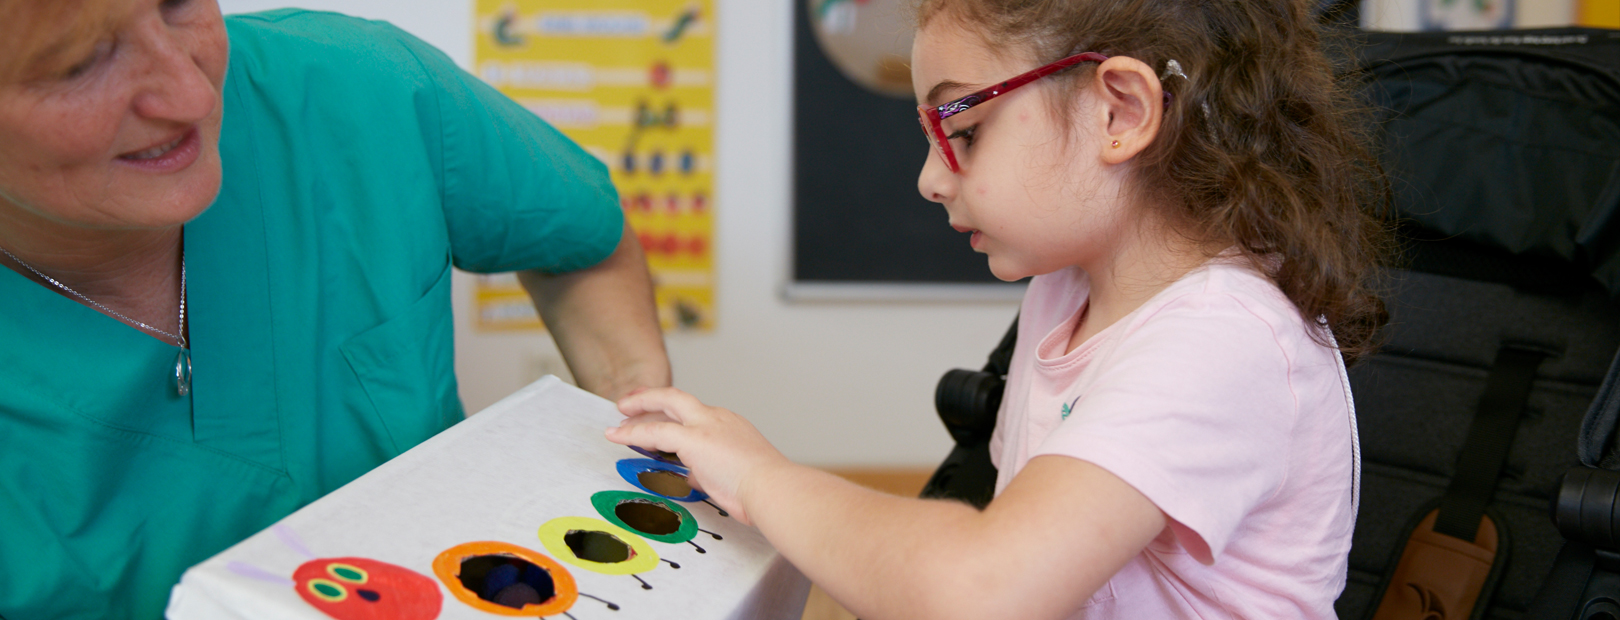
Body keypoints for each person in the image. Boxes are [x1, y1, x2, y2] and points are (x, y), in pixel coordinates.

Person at [607, 0, 1388, 617]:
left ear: (1118, 110)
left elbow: (981, 591)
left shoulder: (1225, 341)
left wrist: (761, 479)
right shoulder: (1067, 288)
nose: (930, 180)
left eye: (965, 131)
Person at [0, 1, 669, 618]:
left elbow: (580, 237)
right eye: (78, 63)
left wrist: (636, 430)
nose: (194, 95)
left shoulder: (359, 90)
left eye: (178, 3)